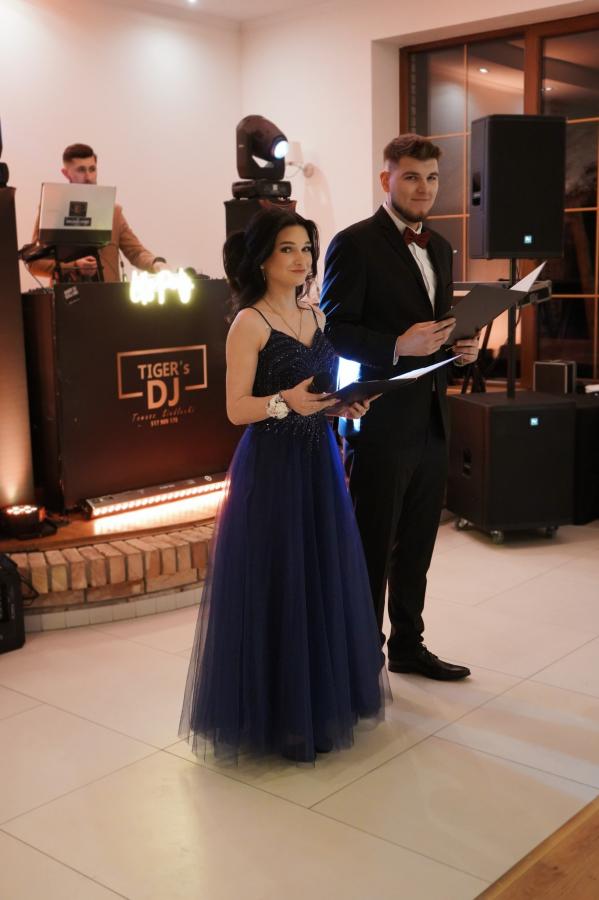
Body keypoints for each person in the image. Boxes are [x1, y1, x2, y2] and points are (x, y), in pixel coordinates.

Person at [180, 208, 390, 764]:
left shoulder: (315, 314)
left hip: (319, 461)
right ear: (262, 260)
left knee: (318, 575)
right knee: (278, 579)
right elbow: (235, 409)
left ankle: (319, 705)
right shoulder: (248, 323)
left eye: (307, 249)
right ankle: (279, 716)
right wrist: (285, 402)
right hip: (271, 468)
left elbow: (317, 396)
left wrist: (342, 406)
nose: (301, 260)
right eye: (288, 249)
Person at [321, 133, 479, 681]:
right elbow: (334, 330)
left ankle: (409, 647)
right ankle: (361, 657)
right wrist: (395, 345)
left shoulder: (440, 247)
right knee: (371, 543)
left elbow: (438, 328)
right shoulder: (353, 243)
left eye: (432, 178)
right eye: (411, 176)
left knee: (417, 544)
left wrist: (461, 348)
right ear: (386, 178)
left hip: (433, 416)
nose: (424, 188)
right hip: (379, 419)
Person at [27, 143, 167, 282]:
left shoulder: (114, 212)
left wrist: (157, 263)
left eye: (92, 169)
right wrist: (73, 266)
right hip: (68, 294)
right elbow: (34, 263)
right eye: (81, 170)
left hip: (109, 295)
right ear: (66, 173)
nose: (88, 177)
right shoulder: (52, 210)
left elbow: (136, 252)